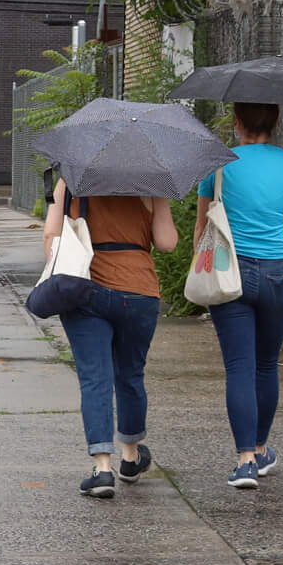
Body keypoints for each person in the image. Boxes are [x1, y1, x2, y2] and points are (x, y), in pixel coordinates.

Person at [194, 101, 283, 491]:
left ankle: (244, 462)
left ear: (237, 122)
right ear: (275, 123)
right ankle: (262, 450)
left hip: (232, 272)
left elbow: (202, 230)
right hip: (280, 271)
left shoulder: (218, 165)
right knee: (266, 364)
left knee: (240, 367)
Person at [44, 176, 179, 498]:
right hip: (139, 290)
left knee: (95, 378)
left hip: (86, 288)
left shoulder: (73, 180)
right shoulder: (151, 183)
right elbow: (167, 242)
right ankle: (130, 457)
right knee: (131, 374)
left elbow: (52, 239)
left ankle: (103, 468)